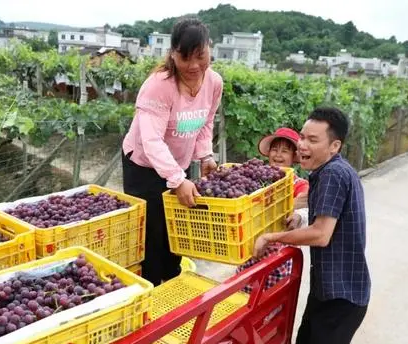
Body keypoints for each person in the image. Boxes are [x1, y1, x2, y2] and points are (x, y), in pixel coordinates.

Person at [253, 107, 371, 344]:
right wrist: (298, 219)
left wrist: (273, 236)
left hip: (343, 295)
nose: (302, 145)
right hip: (328, 287)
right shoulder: (326, 172)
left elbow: (321, 235)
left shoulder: (333, 173)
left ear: (334, 146)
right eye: (302, 137)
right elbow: (320, 218)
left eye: (312, 140)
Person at [121, 18, 223, 286]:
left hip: (179, 165)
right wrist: (177, 180)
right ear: (172, 54)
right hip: (144, 166)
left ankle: (172, 280)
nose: (193, 66)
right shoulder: (159, 85)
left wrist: (206, 155)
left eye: (200, 56)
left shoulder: (214, 82)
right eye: (184, 57)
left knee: (176, 229)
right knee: (151, 234)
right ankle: (151, 290)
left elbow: (206, 121)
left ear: (209, 49)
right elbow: (151, 140)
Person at [238, 127, 309, 292]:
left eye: (285, 151)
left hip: (278, 255)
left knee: (272, 302)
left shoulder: (300, 184)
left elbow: (305, 208)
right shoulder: (257, 181)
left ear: (293, 157)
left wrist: (298, 215)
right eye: (275, 150)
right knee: (243, 298)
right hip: (253, 249)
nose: (278, 155)